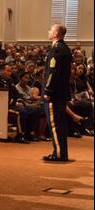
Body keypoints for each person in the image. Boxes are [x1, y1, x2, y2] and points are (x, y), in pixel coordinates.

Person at [42, 24, 72, 162]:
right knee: (60, 124)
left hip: (54, 93)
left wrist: (47, 90)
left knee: (54, 124)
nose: (48, 31)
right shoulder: (65, 48)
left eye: (50, 30)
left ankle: (59, 154)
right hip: (61, 92)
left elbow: (52, 73)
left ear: (55, 34)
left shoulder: (57, 49)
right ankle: (61, 152)